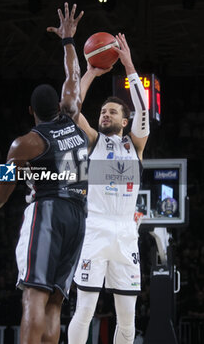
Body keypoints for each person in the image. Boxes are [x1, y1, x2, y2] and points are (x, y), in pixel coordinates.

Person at [0, 3, 87, 344]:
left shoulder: (24, 144)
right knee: (54, 303)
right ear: (59, 106)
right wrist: (68, 40)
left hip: (49, 211)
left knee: (33, 297)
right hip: (79, 214)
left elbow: (1, 189)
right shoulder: (72, 117)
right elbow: (73, 77)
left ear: (29, 111)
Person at [68, 33, 149, 344]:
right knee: (84, 310)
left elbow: (142, 109)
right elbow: (72, 110)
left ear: (125, 121)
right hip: (95, 230)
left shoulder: (136, 146)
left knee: (127, 318)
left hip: (126, 235)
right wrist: (89, 72)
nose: (105, 114)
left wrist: (128, 65)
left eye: (112, 112)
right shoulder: (94, 142)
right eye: (103, 111)